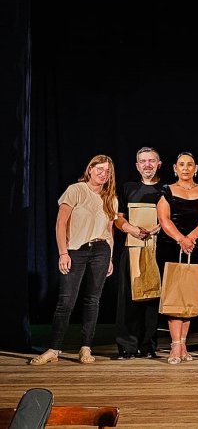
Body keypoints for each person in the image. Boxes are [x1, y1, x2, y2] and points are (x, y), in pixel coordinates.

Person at [30, 155, 118, 365]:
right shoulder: (75, 190)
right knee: (66, 301)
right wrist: (63, 253)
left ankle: (85, 347)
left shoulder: (110, 198)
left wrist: (111, 258)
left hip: (101, 249)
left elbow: (109, 230)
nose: (102, 174)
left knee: (93, 300)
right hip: (75, 249)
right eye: (99, 169)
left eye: (107, 171)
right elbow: (60, 224)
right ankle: (54, 348)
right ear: (90, 169)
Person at [157, 152, 198, 364]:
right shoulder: (167, 190)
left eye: (190, 164)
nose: (186, 168)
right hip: (172, 246)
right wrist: (181, 238)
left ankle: (183, 342)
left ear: (196, 168)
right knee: (174, 295)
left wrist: (191, 238)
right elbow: (163, 218)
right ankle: (175, 345)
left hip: (196, 247)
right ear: (174, 168)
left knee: (189, 295)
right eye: (182, 164)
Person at [113, 147, 163, 360]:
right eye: (143, 161)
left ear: (158, 164)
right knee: (128, 297)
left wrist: (161, 227)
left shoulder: (166, 190)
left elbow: (170, 218)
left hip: (157, 248)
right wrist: (131, 229)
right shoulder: (127, 188)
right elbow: (117, 217)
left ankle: (148, 345)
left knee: (152, 296)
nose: (147, 165)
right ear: (137, 166)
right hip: (132, 247)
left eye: (151, 161)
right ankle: (127, 345)